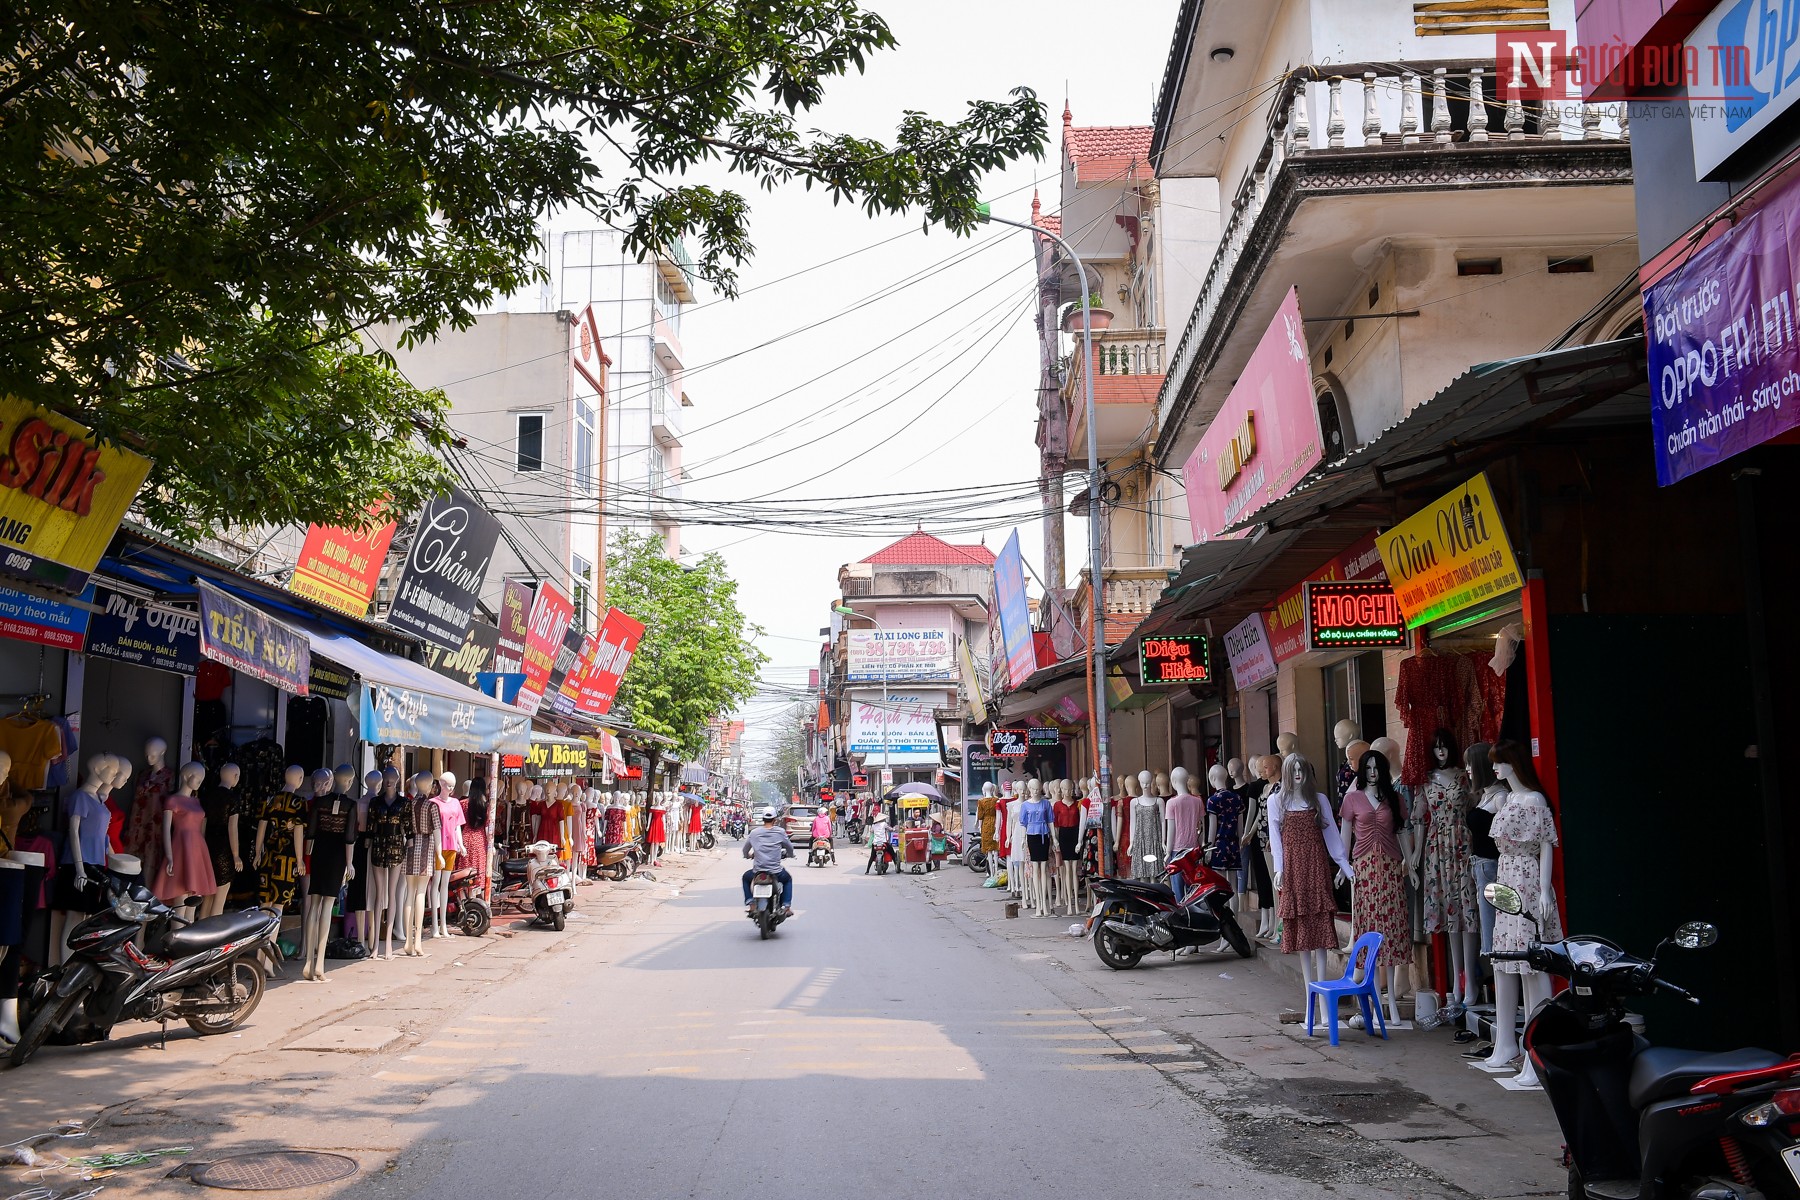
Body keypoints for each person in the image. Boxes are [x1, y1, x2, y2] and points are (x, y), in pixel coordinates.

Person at [741, 807, 795, 916]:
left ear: (763, 819)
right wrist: (790, 854)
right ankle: (786, 906)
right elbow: (790, 847)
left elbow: (745, 849)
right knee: (788, 879)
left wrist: (748, 855)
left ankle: (751, 904)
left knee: (746, 878)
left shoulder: (754, 833)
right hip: (776, 872)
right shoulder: (780, 832)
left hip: (758, 871)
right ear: (775, 819)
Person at [864, 807, 892, 874]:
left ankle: (867, 870)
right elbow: (890, 829)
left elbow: (871, 831)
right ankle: (896, 864)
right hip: (883, 842)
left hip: (875, 843)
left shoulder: (874, 825)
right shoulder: (884, 824)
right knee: (890, 852)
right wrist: (893, 829)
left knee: (872, 857)